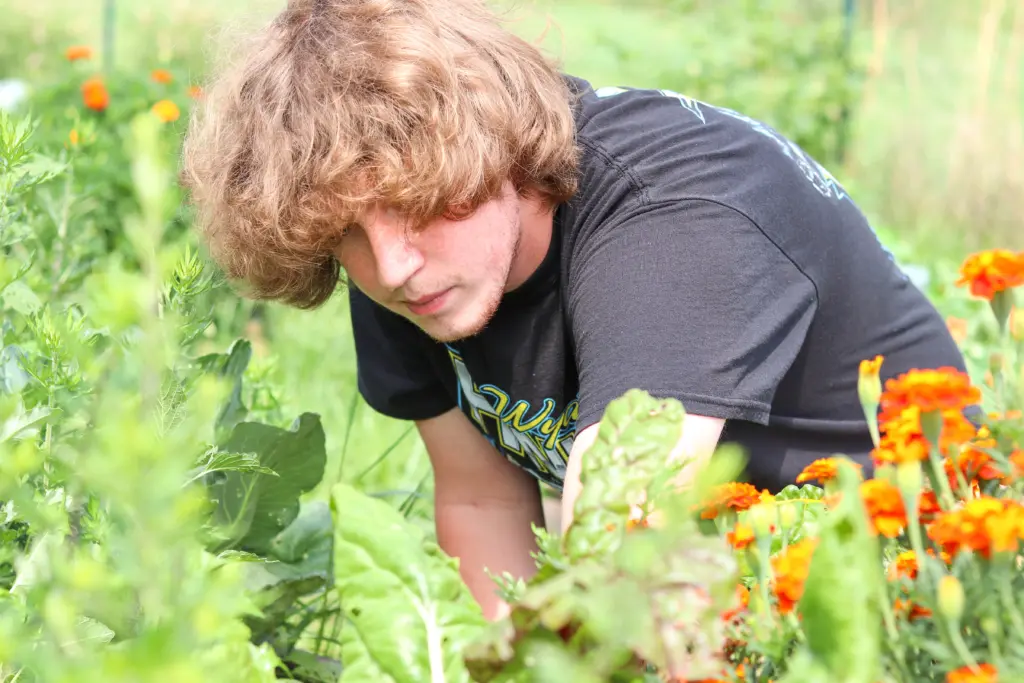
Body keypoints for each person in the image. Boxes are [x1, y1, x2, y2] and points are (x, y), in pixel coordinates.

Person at [179, 0, 969, 620]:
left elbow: (623, 536)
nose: (390, 266)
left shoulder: (674, 219)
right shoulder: (419, 272)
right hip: (703, 574)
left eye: (411, 207)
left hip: (915, 579)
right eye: (346, 232)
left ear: (492, 147)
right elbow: (481, 495)